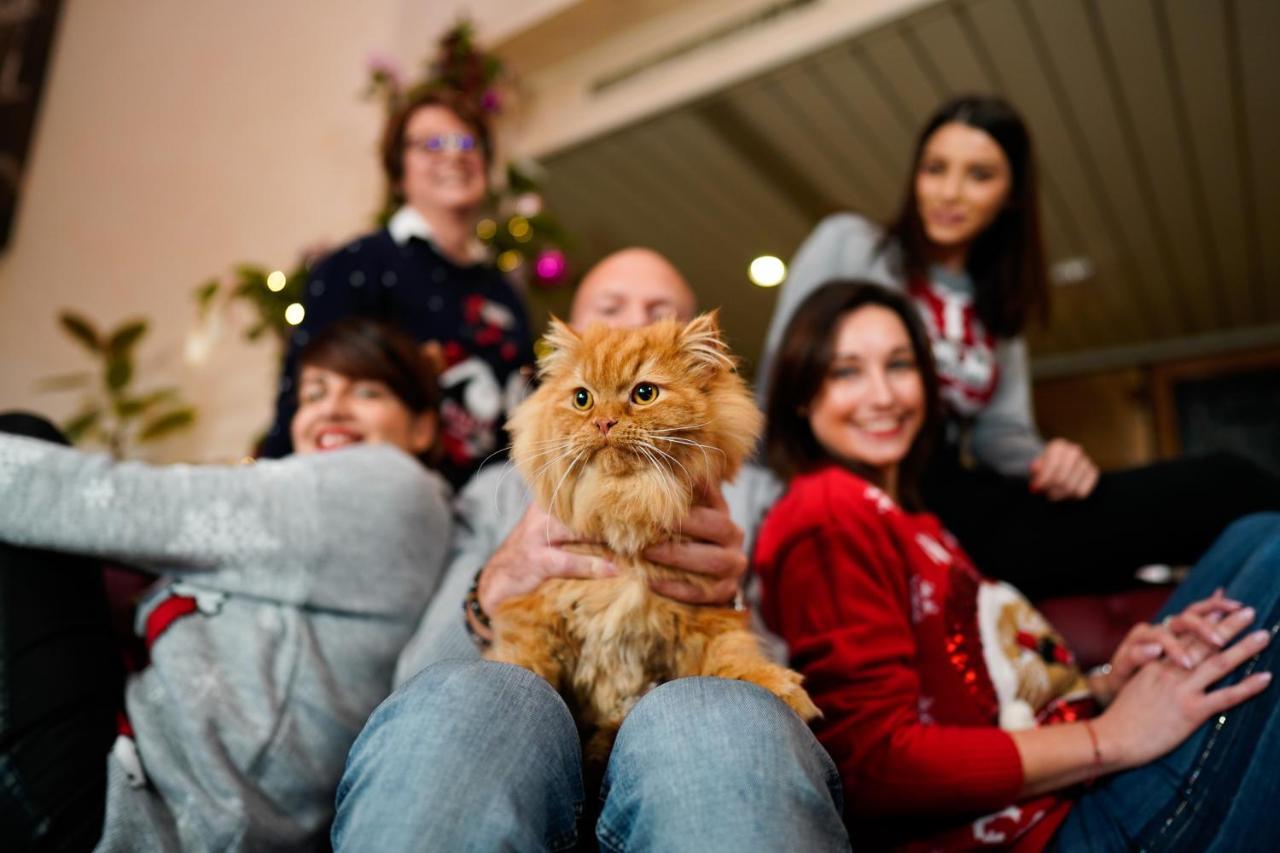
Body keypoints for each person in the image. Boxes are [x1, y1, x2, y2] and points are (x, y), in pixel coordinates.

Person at [332, 248, 849, 853]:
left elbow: (785, 699)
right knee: (473, 698)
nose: (605, 415)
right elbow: (418, 682)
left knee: (719, 713)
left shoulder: (755, 494)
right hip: (517, 765)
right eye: (609, 309)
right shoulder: (496, 488)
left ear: (703, 366)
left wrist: (727, 599)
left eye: (656, 312)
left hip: (688, 766)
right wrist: (493, 584)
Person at [755, 280, 1280, 850]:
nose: (882, 395)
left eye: (900, 365)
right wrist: (1110, 735)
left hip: (1074, 788)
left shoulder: (917, 522)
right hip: (1047, 832)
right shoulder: (827, 510)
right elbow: (877, 765)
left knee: (1254, 534)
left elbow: (991, 695)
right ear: (803, 397)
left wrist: (1106, 686)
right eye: (846, 372)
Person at [758, 94, 1280, 598]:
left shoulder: (999, 306)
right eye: (935, 168)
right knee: (1222, 484)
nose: (949, 192)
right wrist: (758, 507)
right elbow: (784, 380)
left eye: (979, 174)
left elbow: (1001, 434)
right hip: (867, 486)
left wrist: (1050, 458)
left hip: (961, 493)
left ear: (1011, 196)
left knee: (1216, 506)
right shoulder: (851, 242)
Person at [0, 318, 452, 851]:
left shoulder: (392, 486)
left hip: (134, 817)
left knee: (23, 440)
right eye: (314, 392)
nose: (331, 408)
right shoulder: (331, 518)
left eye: (368, 391)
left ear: (423, 428)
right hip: (129, 775)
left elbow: (131, 505)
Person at [261, 90, 535, 491]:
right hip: (385, 500)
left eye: (467, 143)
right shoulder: (355, 266)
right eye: (431, 144)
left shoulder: (503, 293)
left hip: (491, 508)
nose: (453, 155)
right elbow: (304, 396)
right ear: (398, 171)